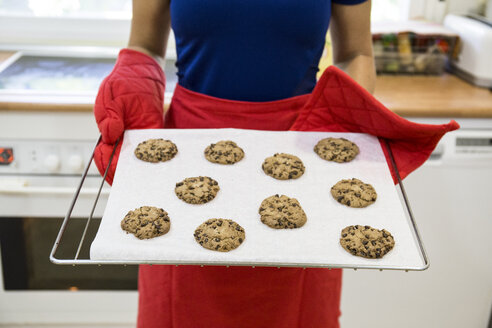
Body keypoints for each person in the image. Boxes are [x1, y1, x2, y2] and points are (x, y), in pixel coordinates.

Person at [94, 0, 372, 327]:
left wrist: (347, 120)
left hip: (301, 156)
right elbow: (144, 43)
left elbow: (356, 53)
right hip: (188, 159)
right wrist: (134, 76)